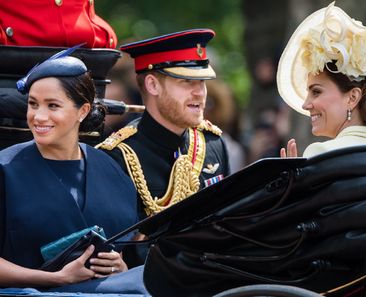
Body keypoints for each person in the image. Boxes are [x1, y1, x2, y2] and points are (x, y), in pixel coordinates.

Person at [0, 49, 148, 295]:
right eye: (33, 104)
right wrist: (56, 278)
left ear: (82, 111)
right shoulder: (5, 168)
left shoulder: (112, 169)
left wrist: (120, 267)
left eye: (53, 105)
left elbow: (128, 251)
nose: (38, 116)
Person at [97, 29, 230, 220]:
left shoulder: (213, 143)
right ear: (153, 85)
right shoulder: (116, 158)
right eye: (187, 81)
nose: (200, 93)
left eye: (202, 81)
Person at [277, 2, 366, 158]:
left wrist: (293, 181)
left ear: (352, 97)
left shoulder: (321, 153)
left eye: (316, 92)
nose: (305, 105)